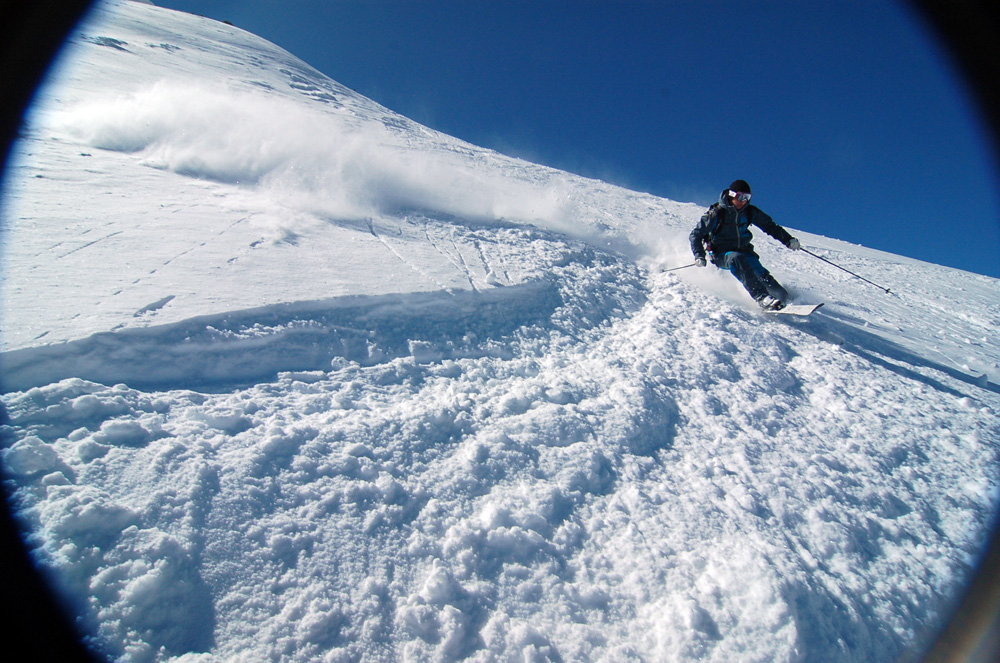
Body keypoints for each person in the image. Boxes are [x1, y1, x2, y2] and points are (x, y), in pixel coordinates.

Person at [689, 179, 801, 311]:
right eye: (740, 197)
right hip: (722, 254)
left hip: (744, 251)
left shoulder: (749, 211)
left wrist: (788, 240)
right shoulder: (717, 213)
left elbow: (770, 226)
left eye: (747, 197)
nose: (744, 201)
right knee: (736, 259)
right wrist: (699, 255)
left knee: (758, 270)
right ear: (732, 195)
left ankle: (784, 297)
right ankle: (762, 297)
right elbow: (696, 234)